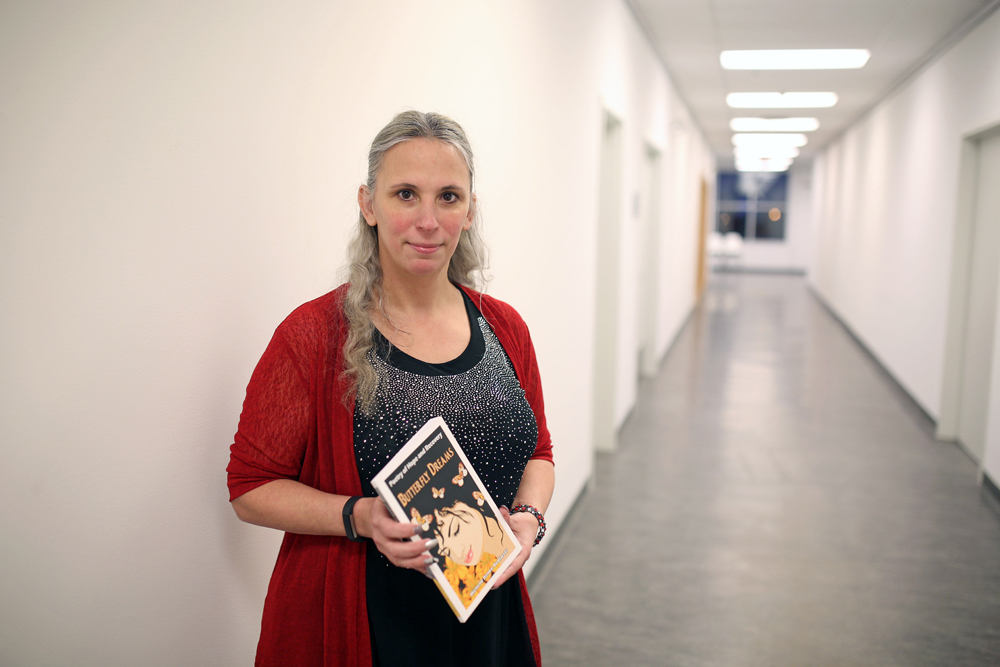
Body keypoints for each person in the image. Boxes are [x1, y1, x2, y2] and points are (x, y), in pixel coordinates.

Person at [227, 110, 555, 667]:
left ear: (470, 210)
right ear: (368, 204)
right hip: (367, 627)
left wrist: (527, 518)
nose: (428, 220)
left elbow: (539, 454)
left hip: (486, 621)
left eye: (448, 197)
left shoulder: (504, 327)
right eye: (406, 194)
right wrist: (359, 515)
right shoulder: (312, 337)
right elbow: (249, 487)